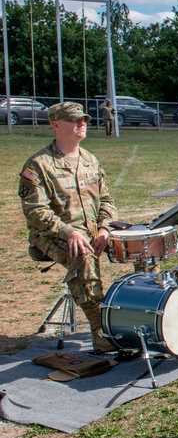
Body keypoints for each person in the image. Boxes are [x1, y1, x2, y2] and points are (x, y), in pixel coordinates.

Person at [19, 101, 118, 353]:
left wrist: (106, 229)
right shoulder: (38, 165)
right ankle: (100, 330)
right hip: (51, 234)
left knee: (144, 244)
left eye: (83, 119)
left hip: (94, 230)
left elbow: (107, 200)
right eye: (75, 120)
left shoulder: (90, 161)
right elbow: (35, 211)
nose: (82, 123)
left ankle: (145, 316)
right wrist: (69, 232)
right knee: (82, 254)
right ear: (55, 124)